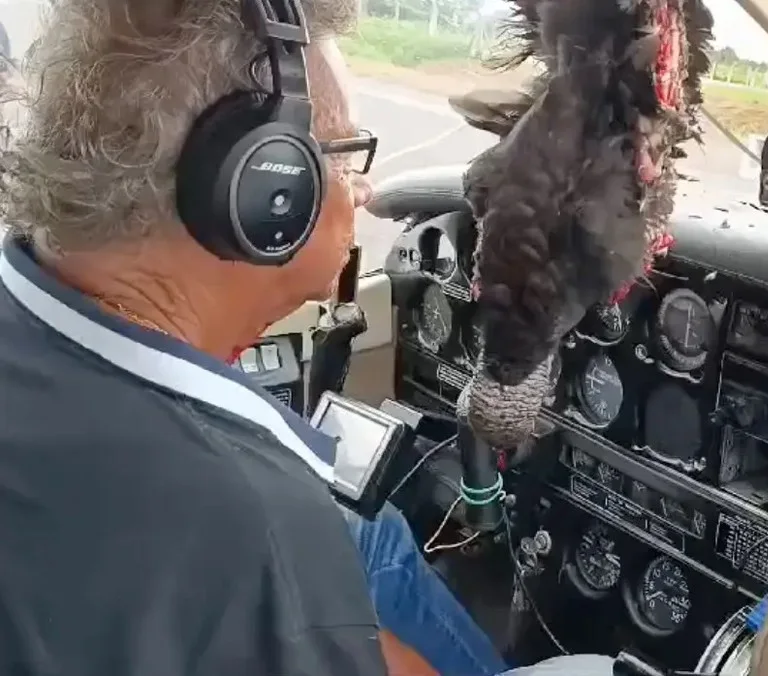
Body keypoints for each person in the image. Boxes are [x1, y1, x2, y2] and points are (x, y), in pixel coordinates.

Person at [0, 1, 613, 674]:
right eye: (348, 155)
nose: (368, 188)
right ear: (262, 191)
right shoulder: (254, 529)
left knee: (371, 535)